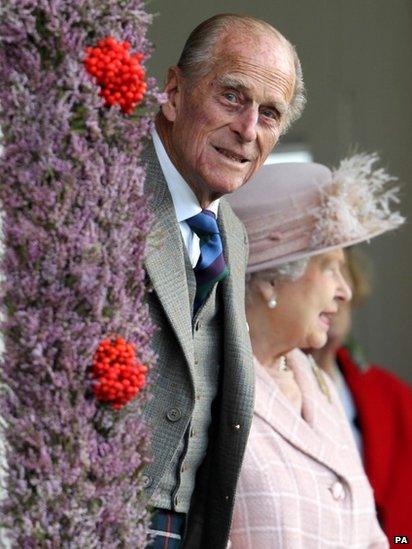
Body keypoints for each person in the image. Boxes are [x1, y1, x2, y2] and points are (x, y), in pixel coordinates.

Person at [141, 13, 305, 548]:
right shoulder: (103, 189)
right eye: (232, 97)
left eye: (270, 114)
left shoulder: (231, 232)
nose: (248, 130)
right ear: (173, 92)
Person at [227, 153, 404, 548]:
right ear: (270, 280)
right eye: (328, 267)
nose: (345, 291)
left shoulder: (319, 387)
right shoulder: (208, 388)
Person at [310, 248, 412, 544]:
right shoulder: (258, 386)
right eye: (326, 270)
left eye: (344, 271)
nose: (339, 290)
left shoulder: (395, 398)